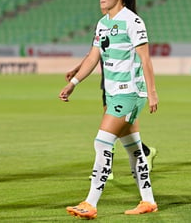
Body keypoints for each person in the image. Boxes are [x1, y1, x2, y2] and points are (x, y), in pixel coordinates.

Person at [60, 0, 159, 219]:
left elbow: (146, 59)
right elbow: (93, 57)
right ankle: (148, 201)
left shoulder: (133, 22)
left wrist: (153, 93)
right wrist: (74, 82)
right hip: (114, 94)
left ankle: (90, 203)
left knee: (102, 142)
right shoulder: (103, 23)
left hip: (130, 94)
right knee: (134, 148)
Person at [65, 53, 158, 181]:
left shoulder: (127, 33)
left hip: (126, 84)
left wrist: (151, 91)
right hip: (109, 81)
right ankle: (145, 152)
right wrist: (78, 69)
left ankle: (106, 168)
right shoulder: (100, 32)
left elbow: (143, 54)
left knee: (109, 130)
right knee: (119, 129)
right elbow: (94, 53)